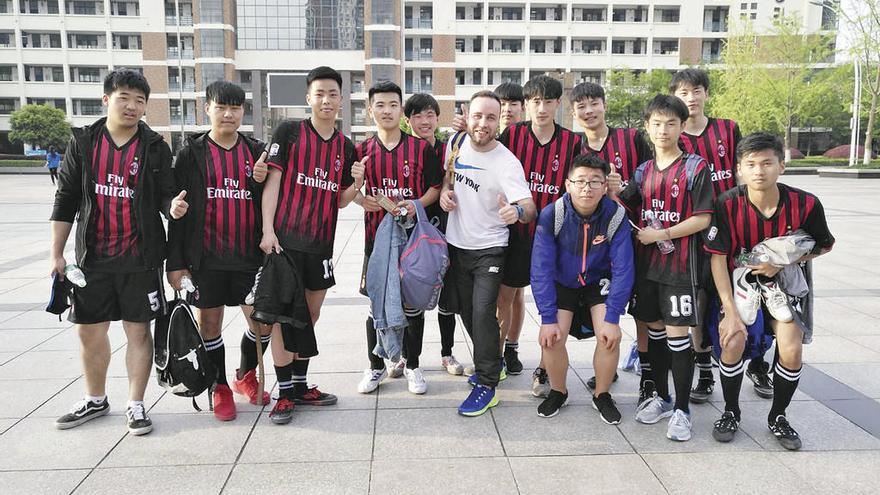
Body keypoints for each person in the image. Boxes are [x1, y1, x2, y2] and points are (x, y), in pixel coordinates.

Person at [50, 69, 180, 435]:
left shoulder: (155, 146)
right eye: (124, 97)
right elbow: (66, 198)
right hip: (93, 259)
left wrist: (172, 207)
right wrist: (57, 254)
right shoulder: (85, 142)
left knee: (139, 332)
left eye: (140, 101)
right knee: (89, 332)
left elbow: (166, 194)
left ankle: (136, 403)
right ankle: (95, 398)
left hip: (140, 260)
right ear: (106, 99)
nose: (132, 106)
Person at [704, 132, 834, 449]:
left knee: (791, 348)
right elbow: (718, 260)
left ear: (781, 166)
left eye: (767, 163)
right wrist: (729, 312)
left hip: (783, 287)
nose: (759, 171)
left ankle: (778, 416)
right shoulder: (726, 203)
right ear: (739, 169)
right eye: (751, 164)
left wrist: (785, 259)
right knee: (732, 340)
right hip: (741, 283)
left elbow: (824, 244)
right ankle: (731, 411)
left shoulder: (805, 204)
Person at [165, 80, 270, 421]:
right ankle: (219, 385)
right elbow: (177, 211)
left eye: (235, 108)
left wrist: (258, 182)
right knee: (209, 324)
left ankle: (244, 375)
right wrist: (176, 263)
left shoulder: (256, 151)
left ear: (243, 112)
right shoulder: (190, 153)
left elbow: (270, 202)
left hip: (249, 258)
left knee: (262, 324)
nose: (228, 114)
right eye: (221, 107)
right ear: (206, 108)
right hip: (206, 259)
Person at [260, 66, 359, 424]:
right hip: (285, 243)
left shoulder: (345, 147)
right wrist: (267, 230)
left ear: (341, 100)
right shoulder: (289, 132)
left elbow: (341, 201)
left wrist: (357, 184)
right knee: (285, 318)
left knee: (310, 316)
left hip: (320, 245)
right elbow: (272, 184)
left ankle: (301, 387)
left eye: (333, 94)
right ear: (308, 98)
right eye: (319, 93)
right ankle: (285, 393)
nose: (326, 100)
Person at [612, 94, 714, 442]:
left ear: (682, 126)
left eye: (671, 123)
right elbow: (625, 206)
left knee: (677, 337)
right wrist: (613, 190)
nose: (663, 129)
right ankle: (664, 398)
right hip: (648, 269)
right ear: (647, 127)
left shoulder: (695, 168)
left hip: (680, 268)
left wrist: (663, 233)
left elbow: (702, 218)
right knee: (653, 331)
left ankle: (683, 411)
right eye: (657, 123)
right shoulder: (642, 171)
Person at [440, 90, 535, 416]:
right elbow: (448, 180)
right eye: (478, 116)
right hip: (457, 245)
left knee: (483, 313)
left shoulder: (506, 161)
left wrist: (516, 213)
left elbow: (529, 206)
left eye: (491, 118)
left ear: (499, 121)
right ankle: (492, 362)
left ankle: (487, 383)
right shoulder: (456, 144)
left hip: (491, 249)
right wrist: (444, 194)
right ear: (467, 114)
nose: (483, 123)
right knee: (466, 311)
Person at [531, 154, 634, 422]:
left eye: (595, 182)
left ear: (605, 185)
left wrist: (613, 318)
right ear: (568, 185)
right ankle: (558, 391)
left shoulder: (615, 215)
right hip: (562, 281)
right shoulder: (553, 214)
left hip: (597, 282)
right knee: (551, 337)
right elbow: (540, 268)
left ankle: (602, 395)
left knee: (609, 336)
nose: (587, 188)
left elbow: (623, 268)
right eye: (580, 181)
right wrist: (547, 318)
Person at [354, 81, 441, 396]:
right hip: (375, 242)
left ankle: (413, 365)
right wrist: (360, 196)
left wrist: (414, 204)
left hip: (412, 241)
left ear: (401, 110)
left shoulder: (421, 148)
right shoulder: (361, 150)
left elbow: (435, 187)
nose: (387, 110)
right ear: (370, 110)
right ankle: (376, 366)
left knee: (412, 306)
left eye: (393, 104)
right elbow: (346, 193)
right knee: (375, 304)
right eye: (380, 105)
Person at [669, 68, 751, 402]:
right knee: (700, 300)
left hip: (732, 226)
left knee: (745, 295)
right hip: (693, 230)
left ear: (706, 94)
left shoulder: (727, 129)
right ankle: (705, 370)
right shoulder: (671, 135)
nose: (690, 98)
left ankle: (755, 360)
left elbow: (744, 171)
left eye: (696, 91)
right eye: (683, 92)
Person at [497, 75, 582, 391]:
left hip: (555, 237)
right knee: (504, 298)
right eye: (535, 101)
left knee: (554, 307)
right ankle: (498, 358)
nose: (541, 108)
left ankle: (546, 368)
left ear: (558, 104)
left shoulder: (573, 143)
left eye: (548, 101)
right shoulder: (513, 135)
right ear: (526, 104)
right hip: (516, 234)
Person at [570, 81, 654, 396]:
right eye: (581, 106)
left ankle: (647, 373)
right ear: (575, 112)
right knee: (604, 308)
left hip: (636, 237)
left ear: (604, 105)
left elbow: (652, 179)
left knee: (643, 311)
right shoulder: (575, 148)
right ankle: (607, 369)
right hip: (598, 244)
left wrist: (624, 188)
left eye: (594, 103)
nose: (589, 111)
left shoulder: (631, 138)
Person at [403, 93, 464, 376]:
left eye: (430, 115)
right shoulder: (403, 150)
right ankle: (406, 356)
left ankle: (447, 353)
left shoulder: (449, 148)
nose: (424, 121)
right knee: (410, 297)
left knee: (447, 298)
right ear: (409, 120)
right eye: (417, 115)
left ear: (437, 118)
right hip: (410, 236)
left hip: (445, 232)